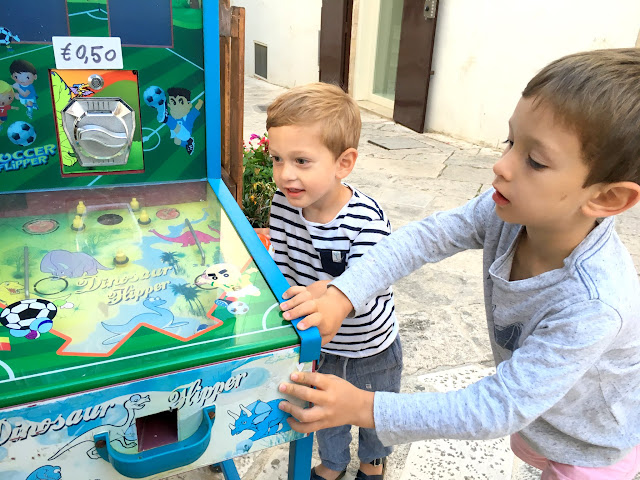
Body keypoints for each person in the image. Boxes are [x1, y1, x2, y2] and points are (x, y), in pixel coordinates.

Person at [277, 49, 640, 479]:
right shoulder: (506, 211)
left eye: (535, 161)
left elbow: (498, 405)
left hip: (590, 448)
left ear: (607, 198)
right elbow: (426, 237)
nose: (501, 165)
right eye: (510, 142)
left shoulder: (595, 304)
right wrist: (344, 294)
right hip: (542, 419)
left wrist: (364, 406)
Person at [266, 82, 403, 480]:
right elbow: (283, 265)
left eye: (301, 161)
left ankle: (373, 460)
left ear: (344, 163)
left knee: (374, 410)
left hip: (370, 346)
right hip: (317, 341)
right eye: (277, 159)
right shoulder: (283, 205)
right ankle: (333, 462)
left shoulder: (366, 220)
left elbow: (367, 287)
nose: (285, 174)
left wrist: (323, 293)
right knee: (321, 408)